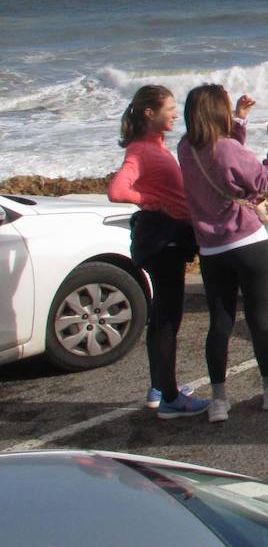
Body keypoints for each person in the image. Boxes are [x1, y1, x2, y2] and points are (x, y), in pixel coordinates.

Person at [178, 84, 268, 424]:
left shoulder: (185, 149)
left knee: (220, 323)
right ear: (217, 112)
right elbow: (265, 181)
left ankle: (219, 400)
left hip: (212, 250)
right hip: (248, 242)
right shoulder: (226, 149)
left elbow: (223, 161)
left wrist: (240, 119)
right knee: (258, 319)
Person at [108, 85, 210, 419]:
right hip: (162, 242)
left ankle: (159, 386)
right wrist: (149, 201)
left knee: (164, 314)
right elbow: (117, 190)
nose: (175, 114)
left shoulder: (154, 146)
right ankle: (169, 398)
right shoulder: (140, 150)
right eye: (169, 108)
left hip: (166, 240)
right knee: (167, 318)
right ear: (149, 113)